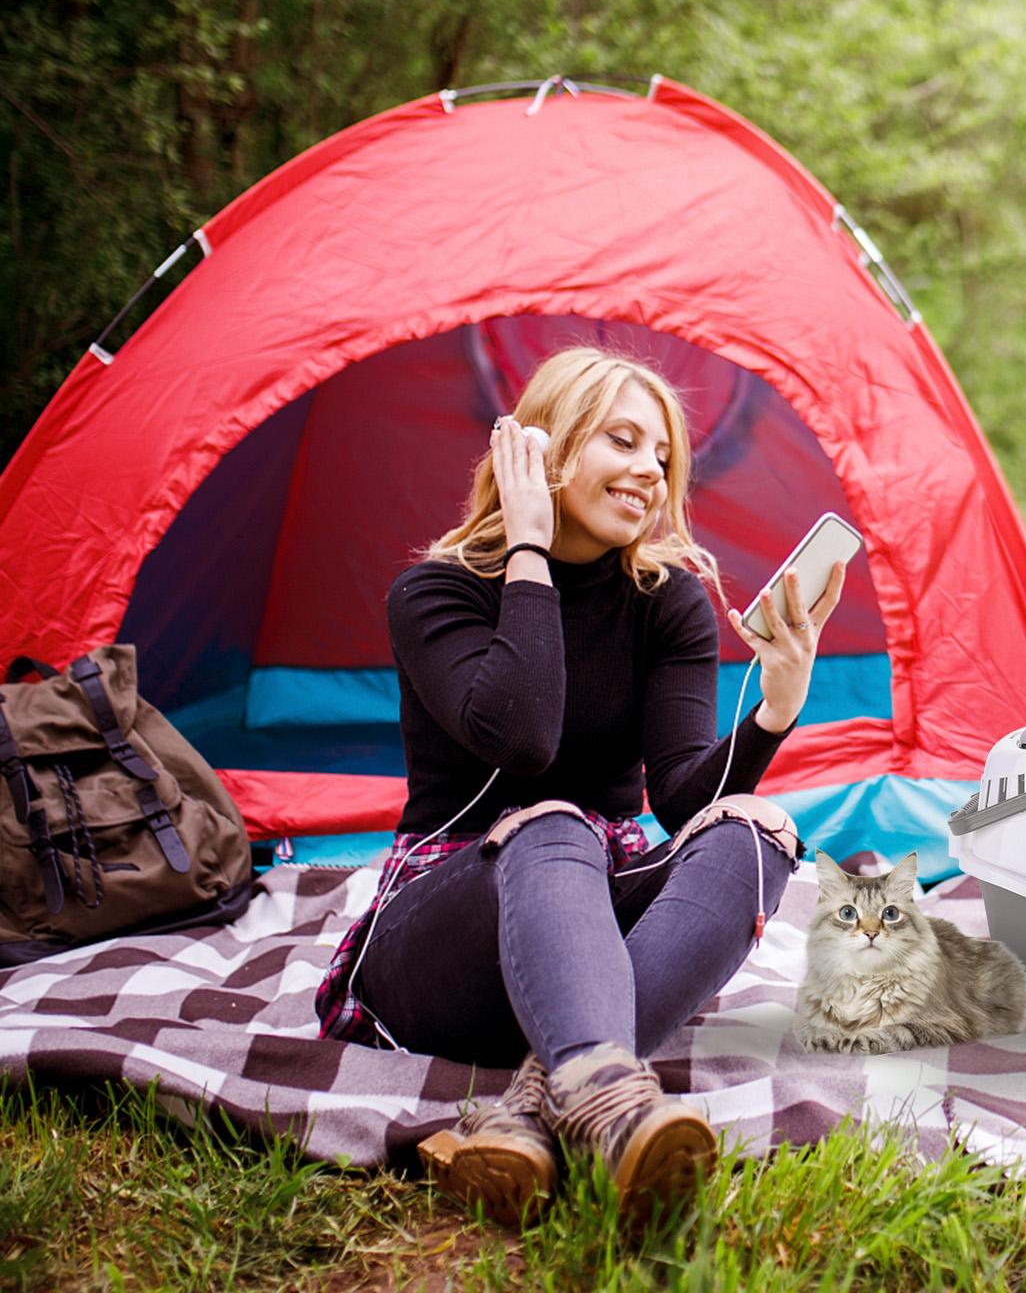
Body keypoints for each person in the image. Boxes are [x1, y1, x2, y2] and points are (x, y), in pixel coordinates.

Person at [314, 346, 845, 1226]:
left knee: (755, 834)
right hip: (446, 934)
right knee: (554, 820)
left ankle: (550, 1102)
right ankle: (603, 1093)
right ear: (547, 450)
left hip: (594, 915)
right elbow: (522, 743)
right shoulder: (434, 592)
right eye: (623, 441)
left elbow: (680, 798)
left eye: (663, 456)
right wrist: (528, 546)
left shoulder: (665, 601)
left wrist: (773, 715)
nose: (649, 471)